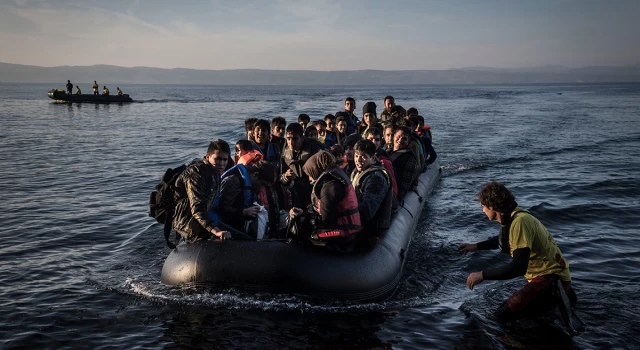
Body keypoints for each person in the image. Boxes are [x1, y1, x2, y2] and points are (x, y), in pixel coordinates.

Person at [459, 181, 577, 321]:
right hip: (555, 277)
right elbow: (504, 240)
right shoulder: (516, 216)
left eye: (483, 206)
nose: (483, 210)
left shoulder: (520, 222)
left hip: (551, 280)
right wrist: (475, 246)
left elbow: (518, 267)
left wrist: (482, 275)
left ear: (493, 206)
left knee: (501, 317)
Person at [289, 151, 361, 252]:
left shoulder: (330, 186)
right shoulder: (336, 176)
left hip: (342, 235)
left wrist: (304, 217)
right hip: (349, 231)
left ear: (316, 169)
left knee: (303, 237)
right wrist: (304, 212)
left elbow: (326, 221)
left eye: (310, 174)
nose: (310, 178)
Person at [172, 139, 232, 242]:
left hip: (207, 219)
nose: (221, 163)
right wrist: (216, 231)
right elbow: (197, 209)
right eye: (218, 159)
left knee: (244, 238)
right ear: (208, 156)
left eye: (225, 160)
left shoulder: (215, 172)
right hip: (188, 224)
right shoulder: (196, 174)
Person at [351, 140, 393, 246]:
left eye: (363, 157)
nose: (358, 160)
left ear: (373, 158)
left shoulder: (376, 178)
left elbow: (367, 212)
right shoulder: (358, 172)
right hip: (357, 222)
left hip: (370, 228)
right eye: (356, 156)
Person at [219, 161, 277, 236]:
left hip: (241, 221)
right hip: (226, 226)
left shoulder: (253, 185)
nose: (262, 187)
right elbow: (221, 209)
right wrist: (243, 211)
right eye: (262, 184)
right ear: (256, 175)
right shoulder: (232, 182)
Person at [281, 123, 324, 208]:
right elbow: (281, 179)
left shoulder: (314, 148)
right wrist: (286, 176)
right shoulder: (285, 150)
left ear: (302, 138)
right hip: (294, 193)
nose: (291, 142)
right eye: (288, 139)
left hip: (313, 191)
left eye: (295, 139)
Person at [364, 128, 398, 199]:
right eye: (371, 139)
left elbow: (393, 187)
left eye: (377, 140)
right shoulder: (360, 158)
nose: (373, 142)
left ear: (380, 142)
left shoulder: (384, 162)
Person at [389, 126, 419, 199]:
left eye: (404, 139)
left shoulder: (409, 159)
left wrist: (397, 198)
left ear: (408, 141)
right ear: (393, 137)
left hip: (393, 193)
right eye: (398, 137)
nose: (400, 140)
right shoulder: (387, 151)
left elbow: (404, 184)